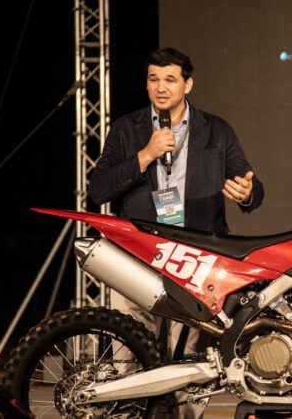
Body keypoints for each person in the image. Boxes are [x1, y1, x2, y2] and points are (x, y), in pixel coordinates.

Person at [88, 47, 264, 417]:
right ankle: (131, 413)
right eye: (154, 79)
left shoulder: (216, 130)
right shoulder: (127, 129)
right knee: (129, 349)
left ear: (188, 84)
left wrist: (248, 193)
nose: (161, 87)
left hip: (194, 259)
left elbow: (249, 182)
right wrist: (145, 155)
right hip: (138, 253)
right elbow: (98, 188)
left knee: (189, 358)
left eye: (170, 79)